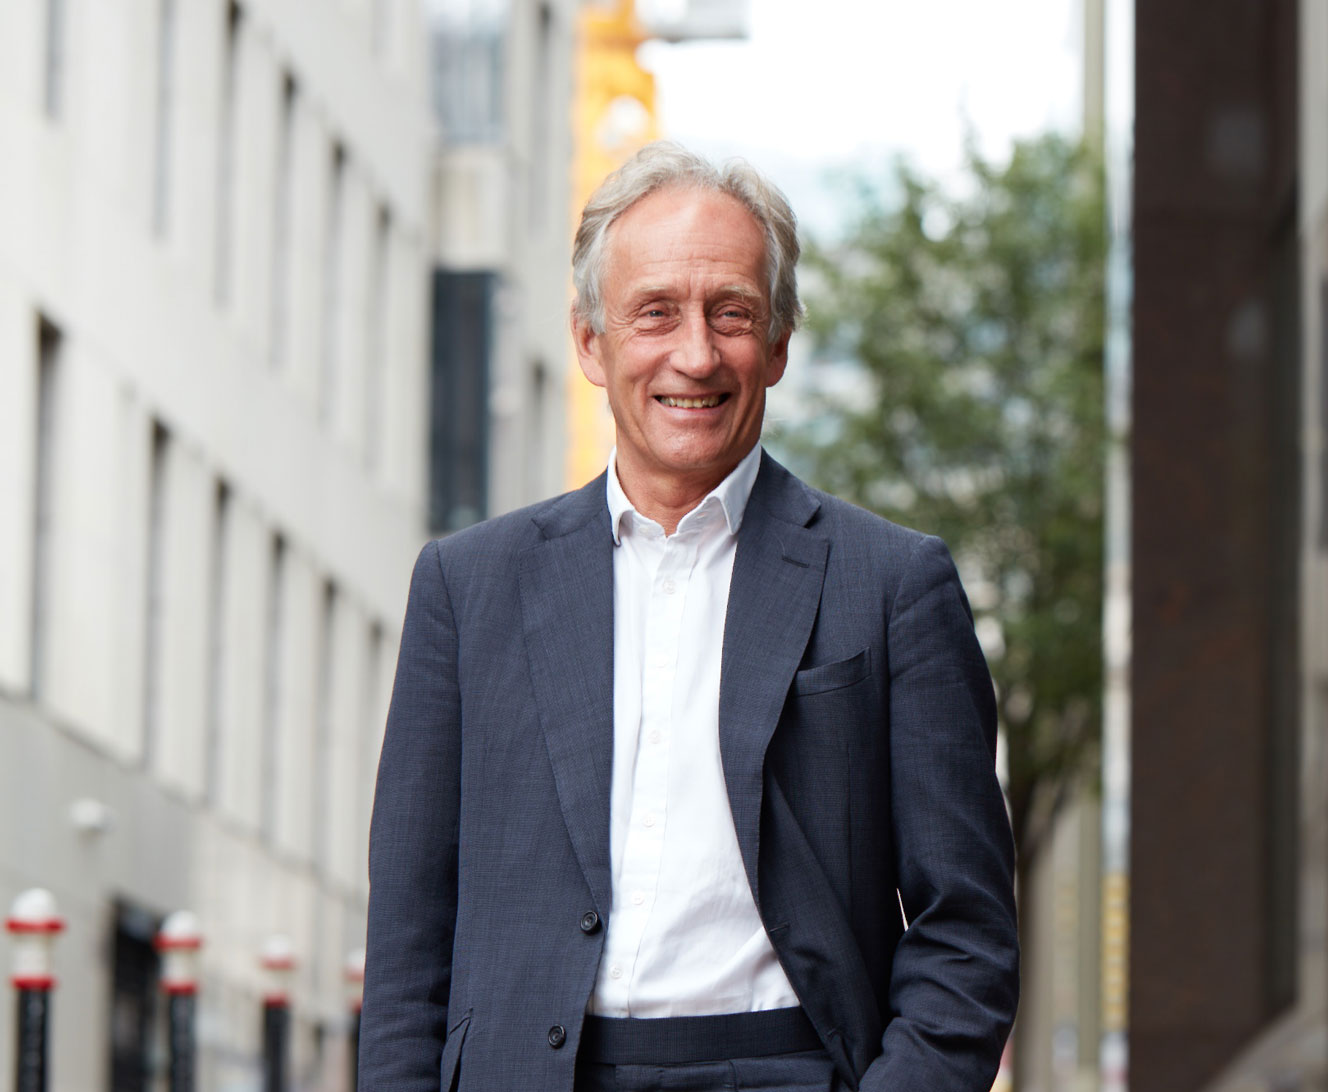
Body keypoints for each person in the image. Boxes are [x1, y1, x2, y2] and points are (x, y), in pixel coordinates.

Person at [358, 142, 1018, 1092]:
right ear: (590, 341)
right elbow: (409, 942)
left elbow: (968, 928)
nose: (696, 354)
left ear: (780, 344)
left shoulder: (894, 585)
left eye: (734, 314)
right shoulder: (469, 590)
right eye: (656, 312)